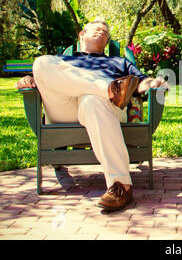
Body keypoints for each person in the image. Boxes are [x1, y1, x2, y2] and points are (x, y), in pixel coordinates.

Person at [16, 20, 168, 211]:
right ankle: (109, 88)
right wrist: (30, 79)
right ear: (82, 34)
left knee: (91, 101)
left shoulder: (119, 62)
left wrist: (154, 83)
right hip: (66, 107)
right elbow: (45, 76)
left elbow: (140, 82)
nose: (102, 32)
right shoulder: (63, 61)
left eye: (105, 32)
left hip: (103, 108)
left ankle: (121, 186)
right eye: (97, 29)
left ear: (107, 42)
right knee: (41, 63)